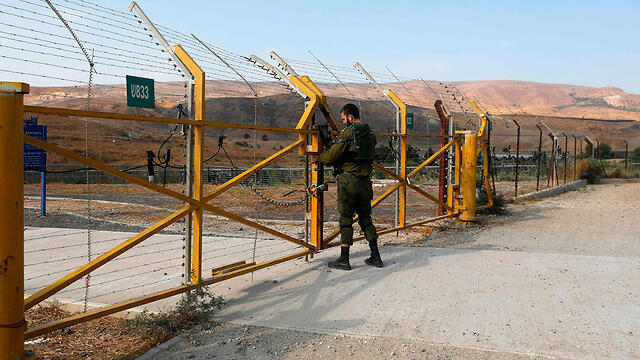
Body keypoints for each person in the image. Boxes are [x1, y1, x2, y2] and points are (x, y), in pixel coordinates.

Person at [317, 103, 383, 270]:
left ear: (350, 117)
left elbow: (332, 156)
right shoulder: (369, 133)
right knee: (365, 218)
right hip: (365, 182)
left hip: (348, 183)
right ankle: (376, 256)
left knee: (345, 220)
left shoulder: (349, 132)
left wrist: (319, 157)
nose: (343, 122)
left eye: (344, 119)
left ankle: (344, 260)